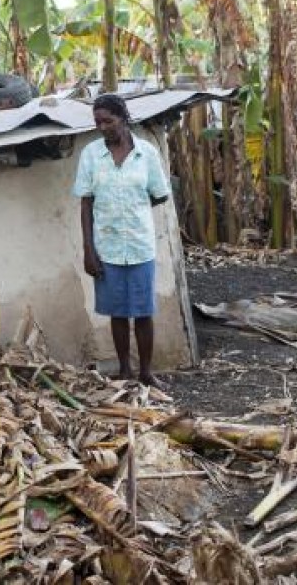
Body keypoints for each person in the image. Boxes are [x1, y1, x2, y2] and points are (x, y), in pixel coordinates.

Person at [72, 93, 171, 386]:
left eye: (108, 120)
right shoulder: (91, 155)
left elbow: (158, 195)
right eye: (98, 122)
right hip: (107, 247)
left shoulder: (147, 153)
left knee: (142, 311)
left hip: (140, 245)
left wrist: (130, 212)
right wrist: (89, 250)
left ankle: (146, 373)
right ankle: (125, 370)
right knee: (117, 312)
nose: (103, 127)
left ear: (123, 118)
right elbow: (86, 204)